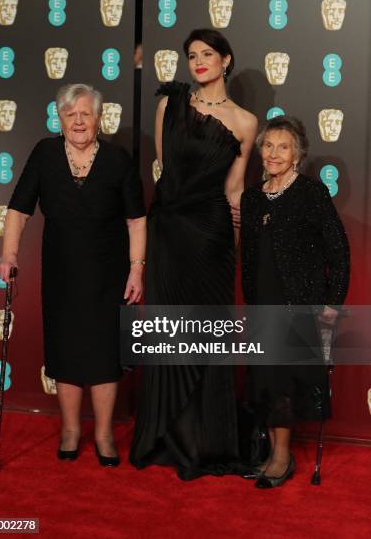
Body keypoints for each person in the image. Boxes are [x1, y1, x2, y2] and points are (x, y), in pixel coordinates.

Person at [130, 28, 257, 480]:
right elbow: (165, 171)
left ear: (226, 60)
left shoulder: (245, 122)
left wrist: (234, 248)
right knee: (168, 332)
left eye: (207, 54)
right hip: (169, 232)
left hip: (212, 237)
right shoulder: (171, 104)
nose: (198, 62)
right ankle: (164, 436)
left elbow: (235, 189)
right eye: (191, 56)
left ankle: (208, 442)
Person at [0, 84, 146, 466]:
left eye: (86, 113)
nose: (78, 120)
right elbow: (17, 210)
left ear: (99, 118)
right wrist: (8, 254)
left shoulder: (117, 160)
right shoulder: (45, 154)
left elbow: (136, 221)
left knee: (104, 352)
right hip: (61, 273)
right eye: (70, 114)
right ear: (59, 118)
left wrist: (136, 269)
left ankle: (103, 434)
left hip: (108, 273)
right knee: (64, 349)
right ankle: (70, 430)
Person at [240, 115, 350, 488]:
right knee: (264, 380)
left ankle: (282, 458)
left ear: (297, 154)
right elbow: (250, 258)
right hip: (261, 304)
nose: (273, 153)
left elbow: (339, 253)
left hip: (299, 303)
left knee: (281, 380)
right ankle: (272, 453)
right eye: (268, 146)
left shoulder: (311, 194)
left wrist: (331, 305)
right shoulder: (251, 198)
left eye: (282, 147)